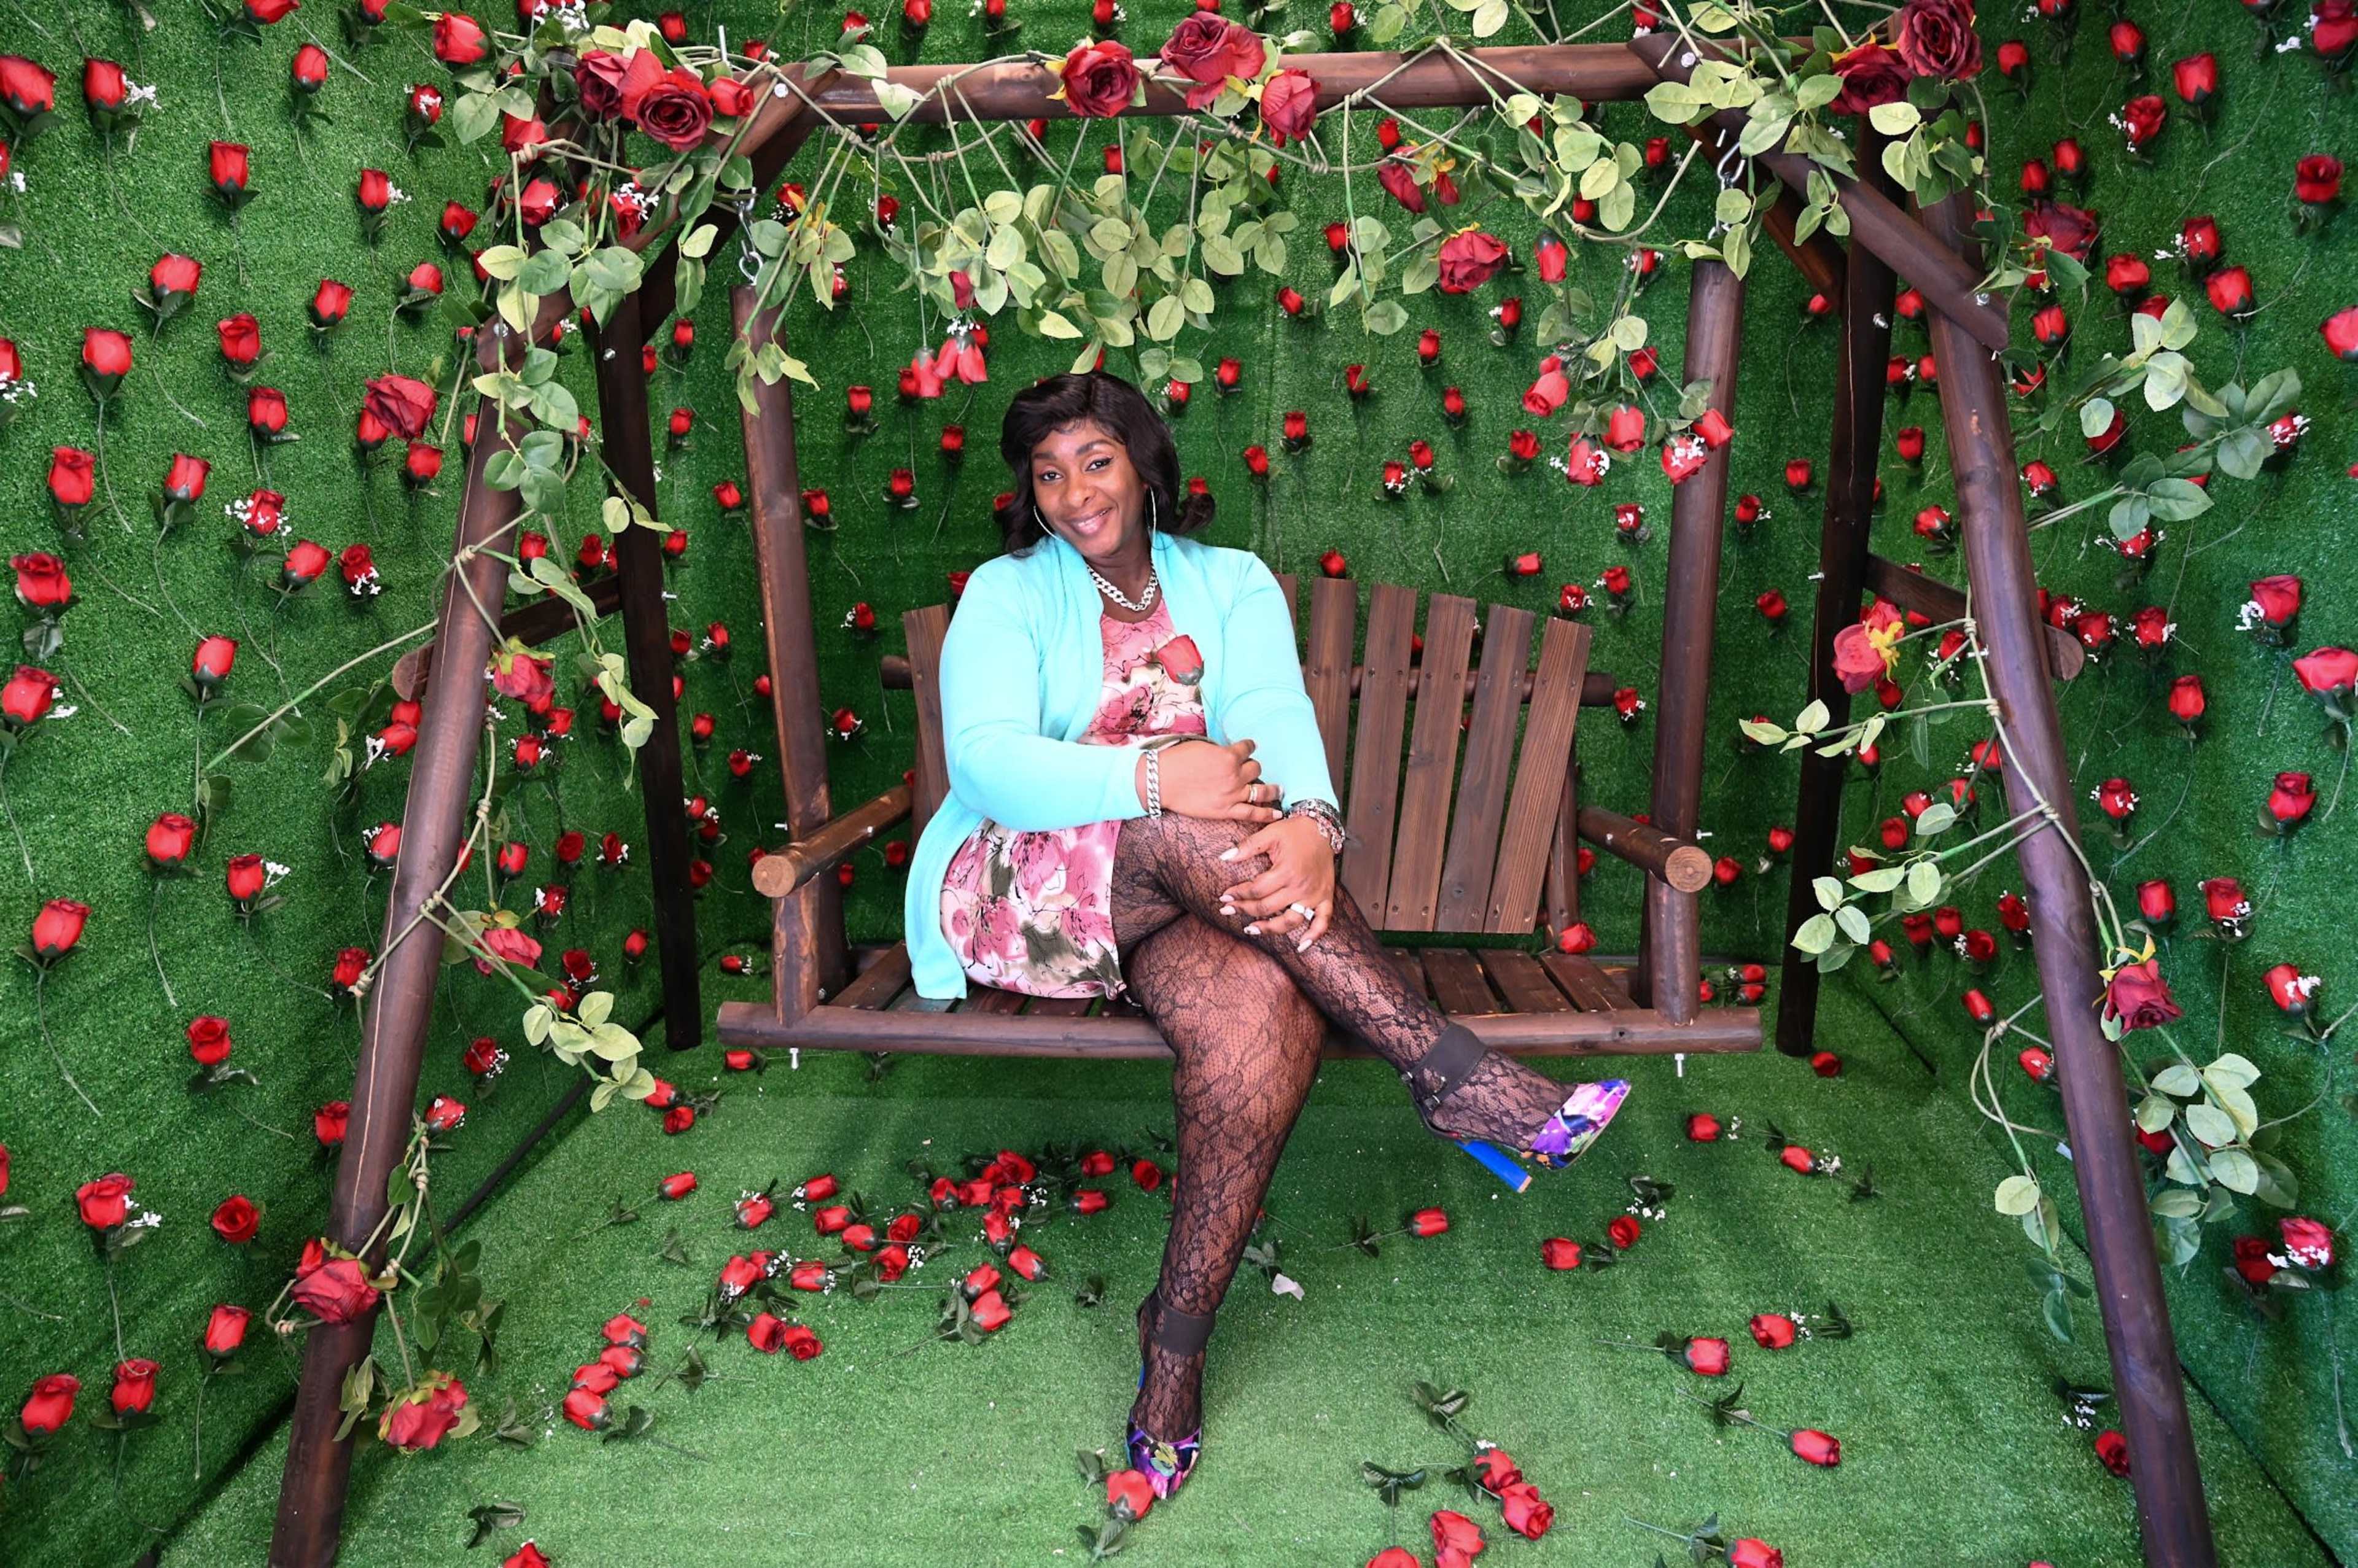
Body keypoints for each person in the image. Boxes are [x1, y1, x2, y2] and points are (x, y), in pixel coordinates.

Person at [900, 370, 1628, 1502]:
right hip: (1023, 887)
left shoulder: (1229, 584)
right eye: (1048, 474)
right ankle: (1446, 1070)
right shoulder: (1006, 595)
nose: (1074, 492)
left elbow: (1278, 716)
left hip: (1193, 894)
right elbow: (987, 759)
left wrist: (1314, 824)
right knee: (1170, 824)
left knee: (1265, 1020)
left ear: (1144, 466)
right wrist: (1153, 770)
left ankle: (1174, 1345)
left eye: (1095, 462)